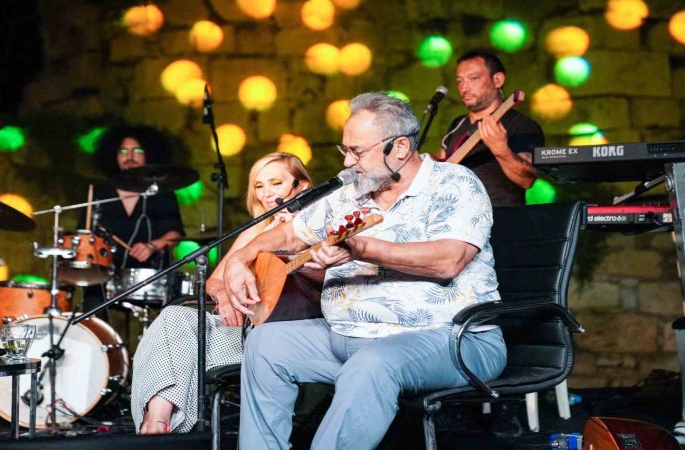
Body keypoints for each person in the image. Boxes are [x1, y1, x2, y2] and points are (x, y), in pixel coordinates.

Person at [216, 92, 507, 449]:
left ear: (400, 147)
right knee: (266, 344)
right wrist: (241, 257)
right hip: (350, 336)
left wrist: (362, 248)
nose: (348, 162)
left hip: (452, 339)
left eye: (357, 152)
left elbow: (449, 259)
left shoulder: (455, 183)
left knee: (373, 363)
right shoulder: (348, 194)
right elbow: (290, 233)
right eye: (345, 150)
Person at [132, 152, 316, 434]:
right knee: (173, 318)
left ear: (301, 185)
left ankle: (157, 427)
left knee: (182, 344)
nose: (266, 193)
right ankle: (157, 421)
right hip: (243, 330)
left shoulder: (315, 223)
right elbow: (214, 281)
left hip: (285, 337)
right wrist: (223, 297)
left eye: (276, 183)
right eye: (259, 186)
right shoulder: (256, 230)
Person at [81, 125, 185, 316]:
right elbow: (84, 235)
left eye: (137, 150)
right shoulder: (100, 193)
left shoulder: (161, 193)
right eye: (123, 151)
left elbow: (175, 234)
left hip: (149, 277)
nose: (129, 156)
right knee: (92, 309)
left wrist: (152, 246)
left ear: (148, 155)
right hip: (104, 277)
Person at [437, 49, 544, 206]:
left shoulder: (521, 124)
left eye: (473, 78)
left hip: (500, 216)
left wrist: (501, 149)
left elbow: (527, 179)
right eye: (459, 81)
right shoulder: (457, 123)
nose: (464, 88)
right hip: (457, 217)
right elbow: (442, 159)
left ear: (498, 80)